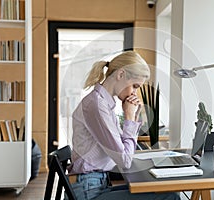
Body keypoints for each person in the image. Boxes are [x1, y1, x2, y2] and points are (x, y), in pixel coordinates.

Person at [65, 51, 181, 200]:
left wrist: (133, 116)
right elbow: (125, 161)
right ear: (120, 75)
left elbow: (122, 148)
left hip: (96, 183)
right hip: (89, 192)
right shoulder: (96, 106)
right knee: (169, 197)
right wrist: (129, 118)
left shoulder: (104, 104)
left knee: (162, 191)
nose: (134, 93)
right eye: (134, 86)